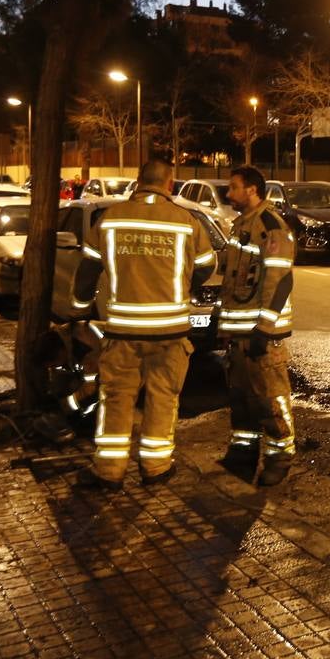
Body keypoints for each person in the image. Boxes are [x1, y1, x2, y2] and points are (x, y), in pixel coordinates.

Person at [73, 159, 217, 490]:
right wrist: (182, 285)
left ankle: (109, 471)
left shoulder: (111, 219)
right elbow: (207, 265)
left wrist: (79, 310)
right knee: (163, 398)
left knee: (116, 399)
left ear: (138, 182)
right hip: (170, 332)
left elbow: (88, 270)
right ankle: (156, 467)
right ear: (170, 184)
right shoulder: (186, 221)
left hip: (123, 330)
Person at [217, 165, 298, 486]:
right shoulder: (243, 226)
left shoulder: (270, 226)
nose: (228, 193)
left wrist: (264, 330)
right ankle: (243, 454)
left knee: (272, 398)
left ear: (251, 190)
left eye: (233, 187)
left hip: (261, 334)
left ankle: (281, 456)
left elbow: (281, 281)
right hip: (239, 332)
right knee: (242, 398)